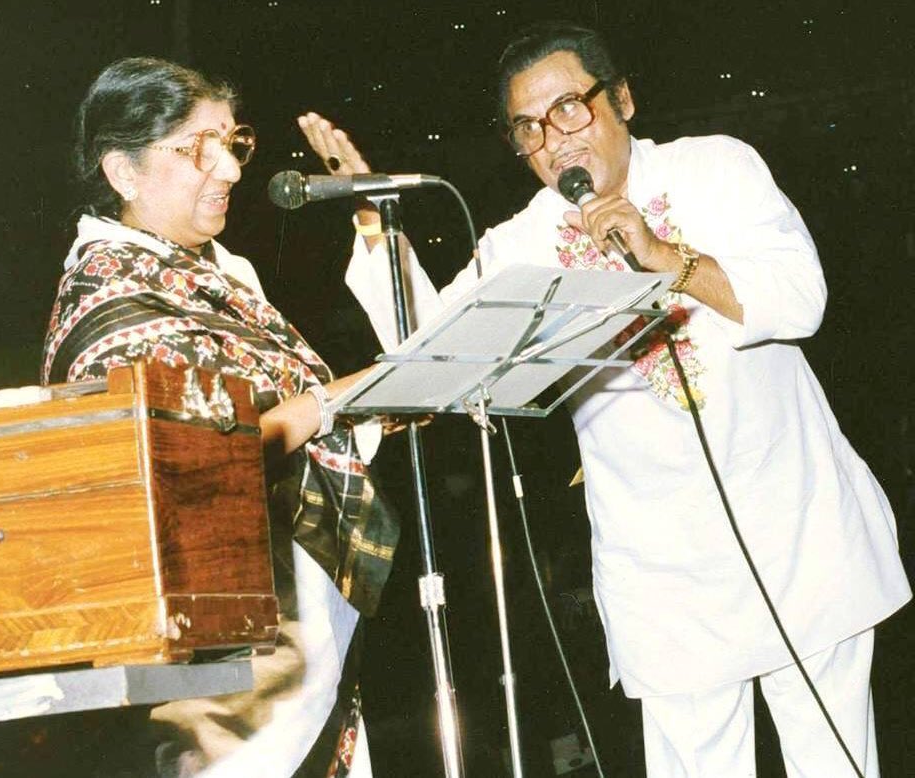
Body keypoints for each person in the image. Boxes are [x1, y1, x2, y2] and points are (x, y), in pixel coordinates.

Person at [298, 21, 911, 778]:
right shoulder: (521, 240)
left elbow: (801, 297)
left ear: (620, 98)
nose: (554, 141)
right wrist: (374, 214)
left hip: (798, 536)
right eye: (528, 128)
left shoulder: (717, 169)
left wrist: (667, 259)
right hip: (662, 572)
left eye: (570, 108)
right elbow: (434, 348)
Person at [42, 57, 398, 777]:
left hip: (308, 630)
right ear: (123, 174)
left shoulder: (220, 272)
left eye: (232, 143)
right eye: (194, 148)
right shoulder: (108, 297)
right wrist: (334, 400)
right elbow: (189, 462)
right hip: (224, 678)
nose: (230, 170)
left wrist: (371, 209)